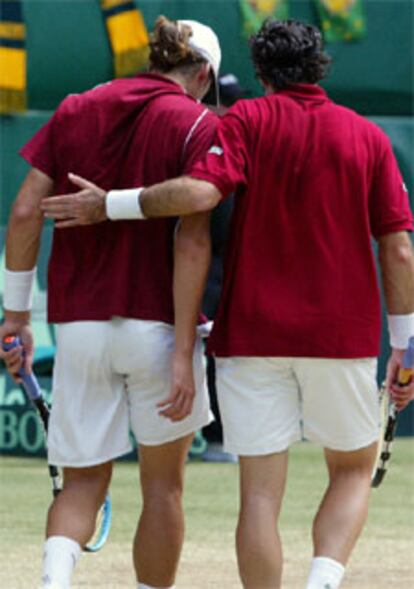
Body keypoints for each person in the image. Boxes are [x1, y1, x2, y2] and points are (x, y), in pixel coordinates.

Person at [41, 18, 414, 588]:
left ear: (261, 71)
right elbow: (400, 251)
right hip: (342, 336)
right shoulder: (367, 137)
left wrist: (107, 204)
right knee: (352, 471)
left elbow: (199, 198)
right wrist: (403, 344)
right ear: (321, 65)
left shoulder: (240, 121)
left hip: (251, 338)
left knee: (259, 496)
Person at [0, 16, 222, 589]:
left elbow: (25, 213)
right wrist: (180, 349)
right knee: (164, 487)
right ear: (201, 75)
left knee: (80, 484)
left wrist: (18, 315)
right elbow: (194, 240)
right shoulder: (196, 120)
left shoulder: (77, 106)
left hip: (78, 328)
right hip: (158, 330)